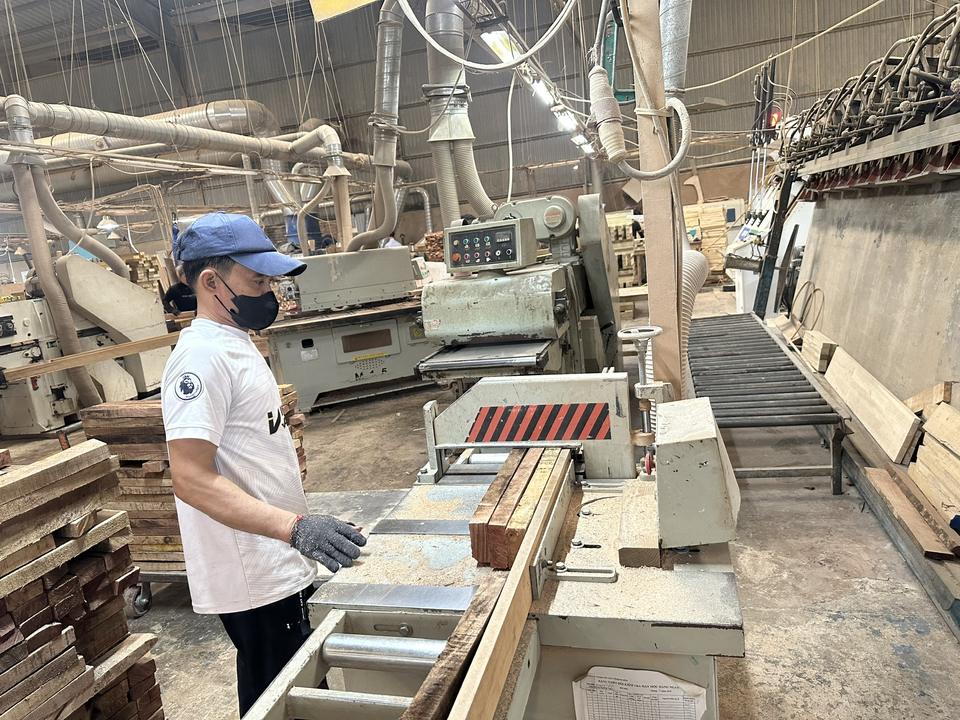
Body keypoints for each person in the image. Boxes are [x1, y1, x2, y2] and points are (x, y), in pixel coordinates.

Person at [160, 212, 366, 714]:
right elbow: (190, 478)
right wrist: (294, 528)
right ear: (212, 282)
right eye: (257, 281)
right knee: (281, 698)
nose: (268, 293)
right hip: (253, 569)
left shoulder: (234, 341)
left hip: (275, 555)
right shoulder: (201, 359)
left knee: (290, 687)